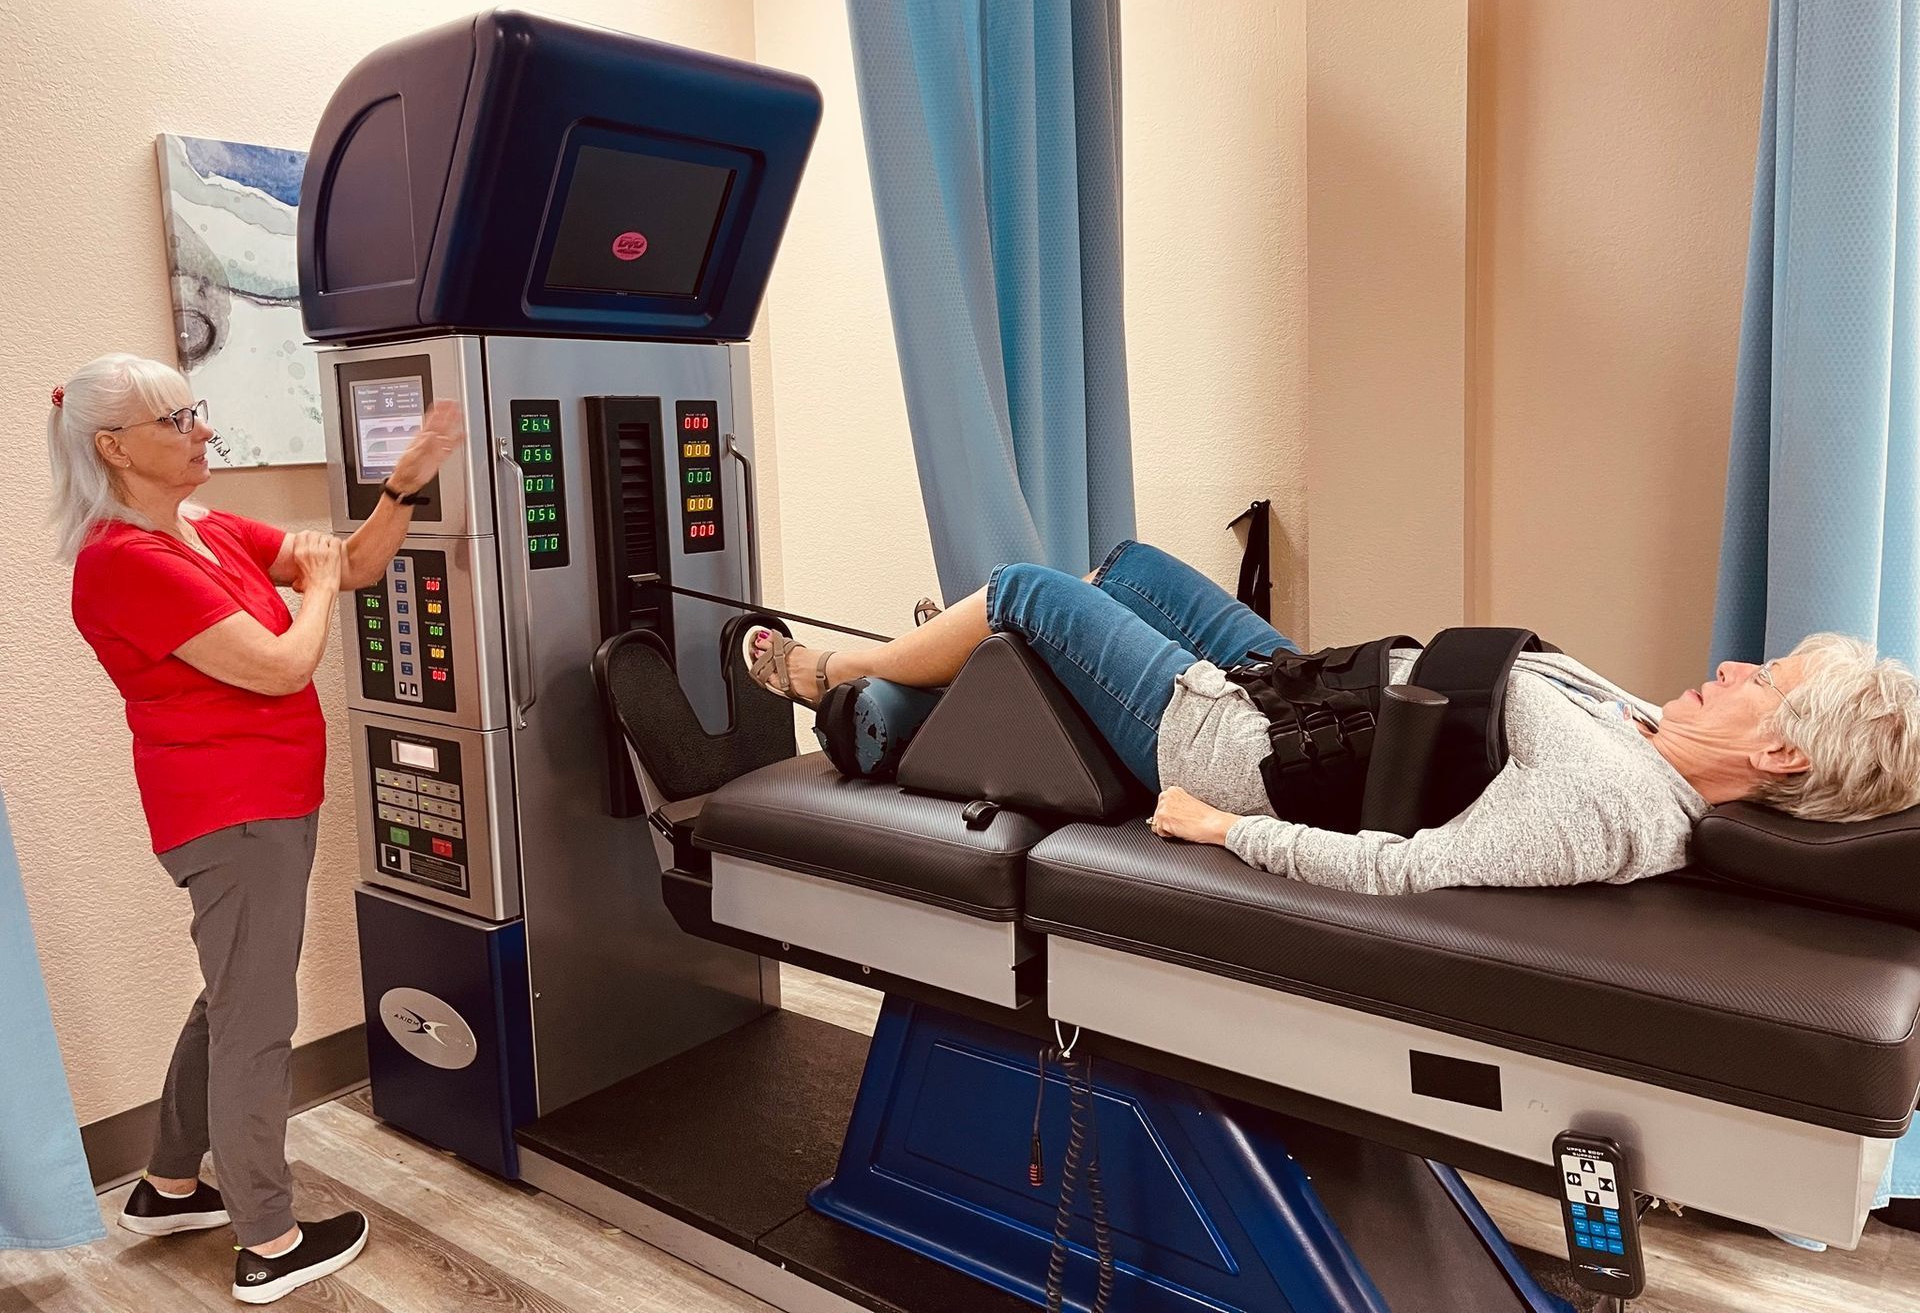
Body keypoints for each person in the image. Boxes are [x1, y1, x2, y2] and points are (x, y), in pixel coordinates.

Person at [748, 540, 1920, 894]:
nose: (1729, 664)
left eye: (1762, 678)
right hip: (1304, 691)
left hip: (1239, 750)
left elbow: (1406, 869)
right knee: (1128, 572)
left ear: (1778, 749)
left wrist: (1222, 832)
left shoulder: (1611, 804)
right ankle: (907, 707)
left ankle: (839, 678)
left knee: (1028, 591)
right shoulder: (1644, 733)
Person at [51, 353, 462, 1304]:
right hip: (230, 814)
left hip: (270, 801)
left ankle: (167, 1185)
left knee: (232, 996)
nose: (202, 432)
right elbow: (281, 665)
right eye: (177, 421)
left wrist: (404, 480)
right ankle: (270, 1239)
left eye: (197, 413)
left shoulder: (201, 528)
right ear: (114, 448)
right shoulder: (124, 564)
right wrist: (313, 590)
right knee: (257, 1021)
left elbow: (354, 562)